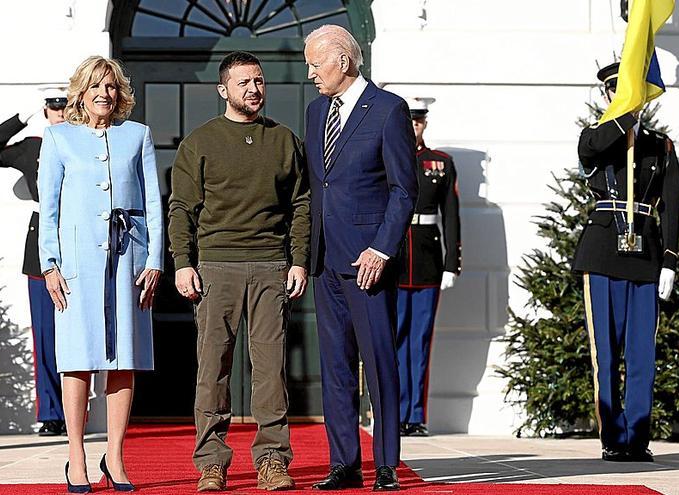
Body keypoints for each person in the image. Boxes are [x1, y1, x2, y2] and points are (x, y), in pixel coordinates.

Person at [168, 51, 310, 492]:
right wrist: (182, 263)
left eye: (259, 81)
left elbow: (302, 205)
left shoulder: (284, 140)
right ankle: (211, 462)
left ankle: (272, 460)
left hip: (271, 267)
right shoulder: (200, 142)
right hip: (215, 268)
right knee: (213, 369)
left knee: (270, 371)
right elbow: (181, 208)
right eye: (244, 82)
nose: (254, 89)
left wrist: (300, 260)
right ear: (223, 90)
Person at [38, 55, 162, 492]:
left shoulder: (138, 136)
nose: (104, 95)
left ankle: (117, 455)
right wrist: (49, 265)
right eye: (96, 87)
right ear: (81, 93)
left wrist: (154, 261)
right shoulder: (57, 139)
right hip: (75, 266)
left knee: (123, 358)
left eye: (111, 87)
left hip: (128, 261)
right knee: (77, 359)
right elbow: (48, 209)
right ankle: (77, 456)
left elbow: (153, 205)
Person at [303, 25, 415, 491]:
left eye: (315, 64)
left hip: (370, 261)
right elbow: (317, 185)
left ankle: (386, 463)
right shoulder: (314, 113)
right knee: (336, 367)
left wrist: (383, 247)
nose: (310, 73)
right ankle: (343, 464)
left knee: (379, 362)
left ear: (343, 62)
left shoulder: (389, 110)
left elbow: (404, 189)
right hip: (325, 260)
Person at [574, 61, 679, 462]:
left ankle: (637, 436)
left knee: (642, 354)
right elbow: (593, 148)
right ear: (608, 95)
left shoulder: (660, 145)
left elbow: (672, 206)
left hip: (645, 257)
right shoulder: (596, 136)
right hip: (603, 254)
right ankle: (613, 438)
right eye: (617, 92)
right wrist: (624, 116)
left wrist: (669, 260)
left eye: (633, 91)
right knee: (607, 352)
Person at [0, 87, 68, 436]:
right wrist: (21, 118)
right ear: (46, 111)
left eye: (66, 106)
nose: (61, 113)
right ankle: (53, 413)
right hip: (41, 242)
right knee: (45, 334)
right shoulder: (32, 147)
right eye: (54, 107)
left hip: (78, 241)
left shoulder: (85, 141)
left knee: (76, 334)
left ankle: (76, 407)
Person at [395, 97, 462, 437]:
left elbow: (451, 214)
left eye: (419, 122)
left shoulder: (440, 163)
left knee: (420, 341)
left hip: (426, 262)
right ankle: (393, 412)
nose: (414, 128)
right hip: (392, 261)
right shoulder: (387, 158)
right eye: (409, 122)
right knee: (393, 340)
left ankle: (415, 414)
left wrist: (452, 263)